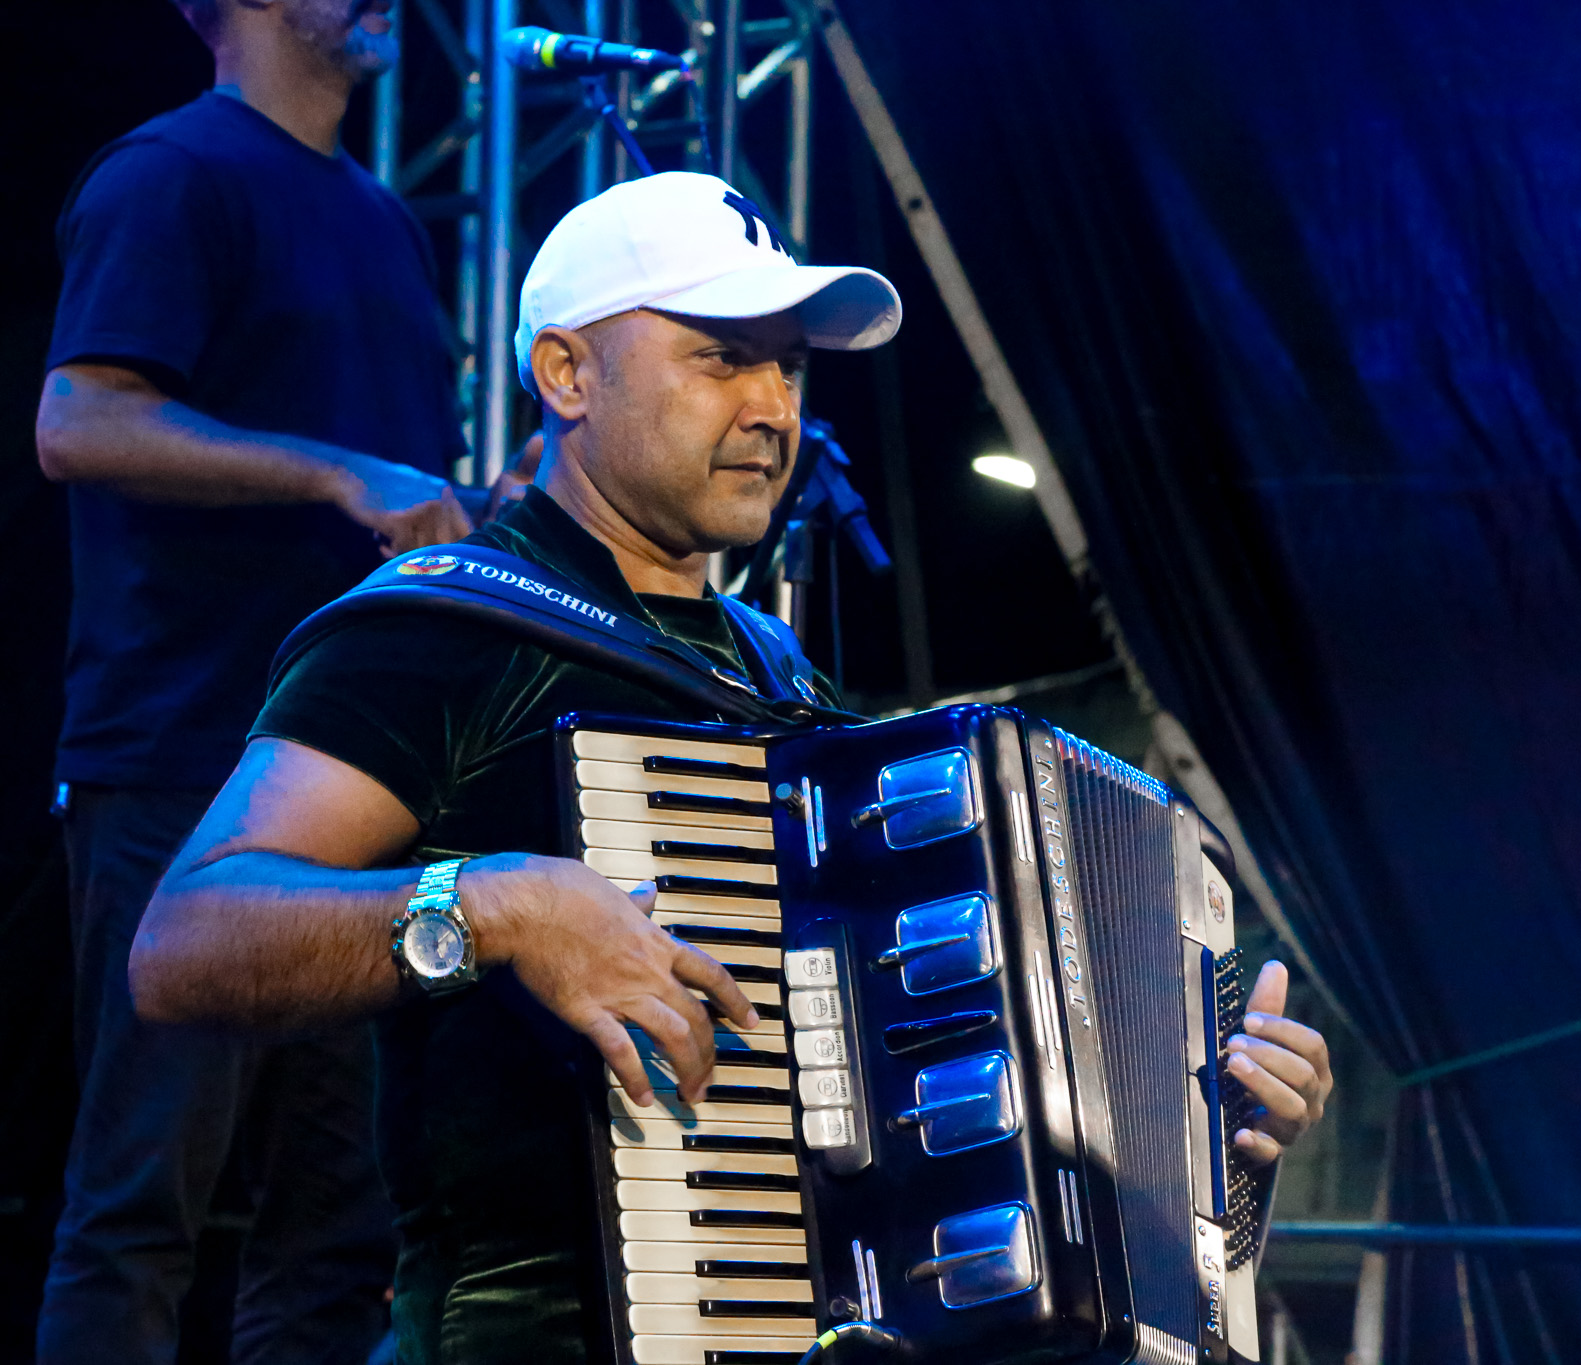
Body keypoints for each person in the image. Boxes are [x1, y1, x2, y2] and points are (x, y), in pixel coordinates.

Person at [127, 170, 1336, 1362]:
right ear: (565, 374)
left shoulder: (778, 678)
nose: (772, 409)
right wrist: (490, 906)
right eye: (720, 357)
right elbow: (183, 941)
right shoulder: (440, 631)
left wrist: (1198, 1127)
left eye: (788, 367)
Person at [32, 0, 479, 1358]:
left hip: (350, 785)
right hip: (181, 766)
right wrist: (337, 473)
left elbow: (399, 488)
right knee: (140, 1207)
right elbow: (77, 420)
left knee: (340, 1226)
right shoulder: (171, 172)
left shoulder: (384, 217)